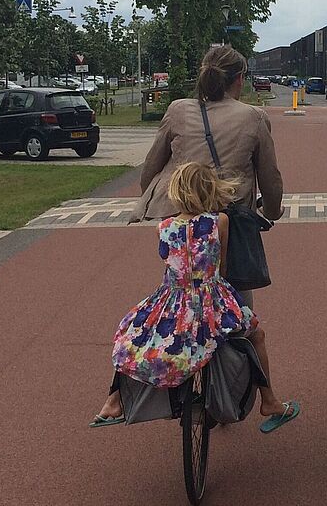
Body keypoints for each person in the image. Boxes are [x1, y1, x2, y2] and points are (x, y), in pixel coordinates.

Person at [92, 162, 299, 432]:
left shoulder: (163, 227)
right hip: (211, 298)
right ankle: (269, 400)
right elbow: (221, 269)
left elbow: (170, 268)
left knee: (131, 336)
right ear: (209, 190)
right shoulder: (219, 222)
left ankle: (113, 401)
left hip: (172, 301)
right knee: (256, 335)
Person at [131, 44, 285, 308]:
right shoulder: (254, 117)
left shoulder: (177, 110)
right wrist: (272, 211)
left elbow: (150, 170)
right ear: (239, 78)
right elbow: (270, 178)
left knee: (178, 292)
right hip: (232, 224)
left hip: (184, 225)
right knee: (240, 309)